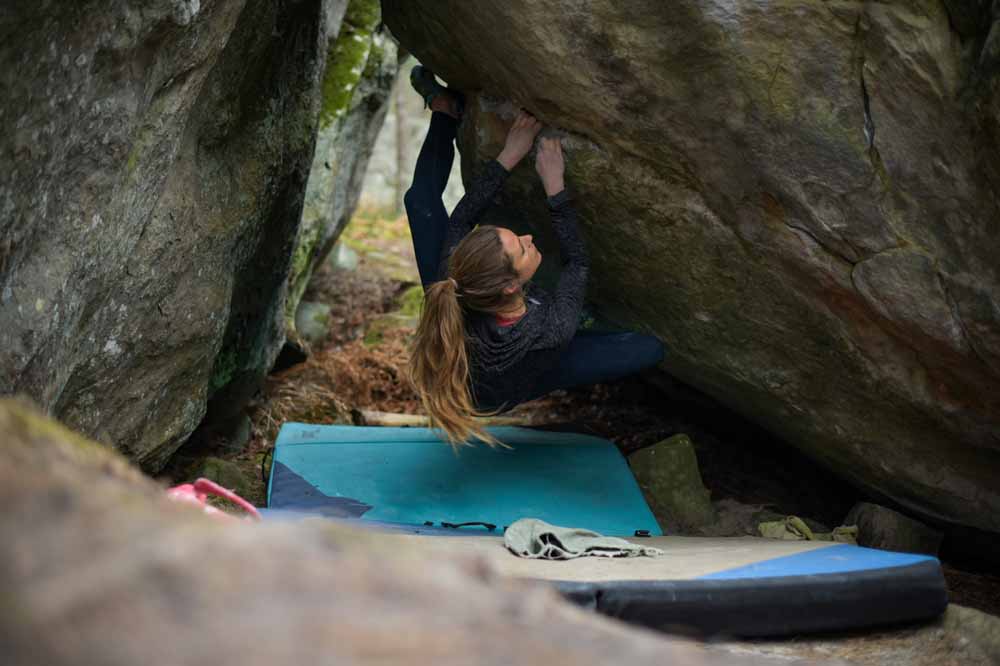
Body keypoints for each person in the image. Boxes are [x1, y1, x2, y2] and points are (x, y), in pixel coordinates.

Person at [404, 66, 664, 447]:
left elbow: (463, 218)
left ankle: (444, 110)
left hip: (490, 327)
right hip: (514, 379)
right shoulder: (551, 332)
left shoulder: (454, 280)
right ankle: (586, 319)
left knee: (420, 202)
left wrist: (509, 156)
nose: (529, 237)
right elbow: (577, 262)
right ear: (511, 284)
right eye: (523, 246)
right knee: (648, 349)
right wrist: (555, 186)